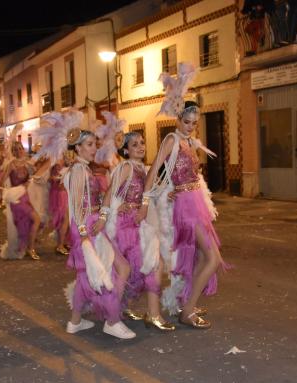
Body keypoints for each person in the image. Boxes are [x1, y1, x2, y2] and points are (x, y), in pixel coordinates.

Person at [139, 62, 232, 329]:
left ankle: (185, 301)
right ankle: (187, 310)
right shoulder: (170, 140)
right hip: (185, 207)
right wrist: (147, 203)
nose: (191, 127)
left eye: (194, 123)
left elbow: (192, 177)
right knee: (212, 258)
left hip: (196, 203)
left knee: (202, 257)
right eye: (187, 122)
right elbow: (154, 172)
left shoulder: (189, 142)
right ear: (178, 118)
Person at [96, 130, 175, 331]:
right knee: (151, 265)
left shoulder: (143, 168)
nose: (140, 147)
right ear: (126, 150)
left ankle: (125, 308)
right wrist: (111, 210)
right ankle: (153, 315)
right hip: (127, 227)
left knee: (142, 267)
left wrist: (167, 196)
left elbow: (150, 195)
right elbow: (109, 193)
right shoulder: (126, 167)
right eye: (134, 145)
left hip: (141, 223)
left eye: (142, 142)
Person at [63, 120, 135, 339]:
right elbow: (76, 205)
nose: (94, 148)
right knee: (119, 269)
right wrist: (85, 234)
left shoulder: (83, 168)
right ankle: (112, 321)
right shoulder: (78, 171)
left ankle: (75, 321)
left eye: (95, 144)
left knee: (87, 275)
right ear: (78, 148)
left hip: (90, 224)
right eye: (90, 144)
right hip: (89, 227)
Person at [0, 141, 42, 260]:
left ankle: (28, 246)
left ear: (24, 149)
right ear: (13, 152)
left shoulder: (28, 163)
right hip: (16, 199)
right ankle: (30, 249)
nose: (19, 151)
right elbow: (1, 182)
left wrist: (31, 177)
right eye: (15, 150)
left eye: (20, 148)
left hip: (27, 197)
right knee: (36, 219)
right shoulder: (11, 165)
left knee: (30, 222)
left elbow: (37, 175)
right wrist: (2, 195)